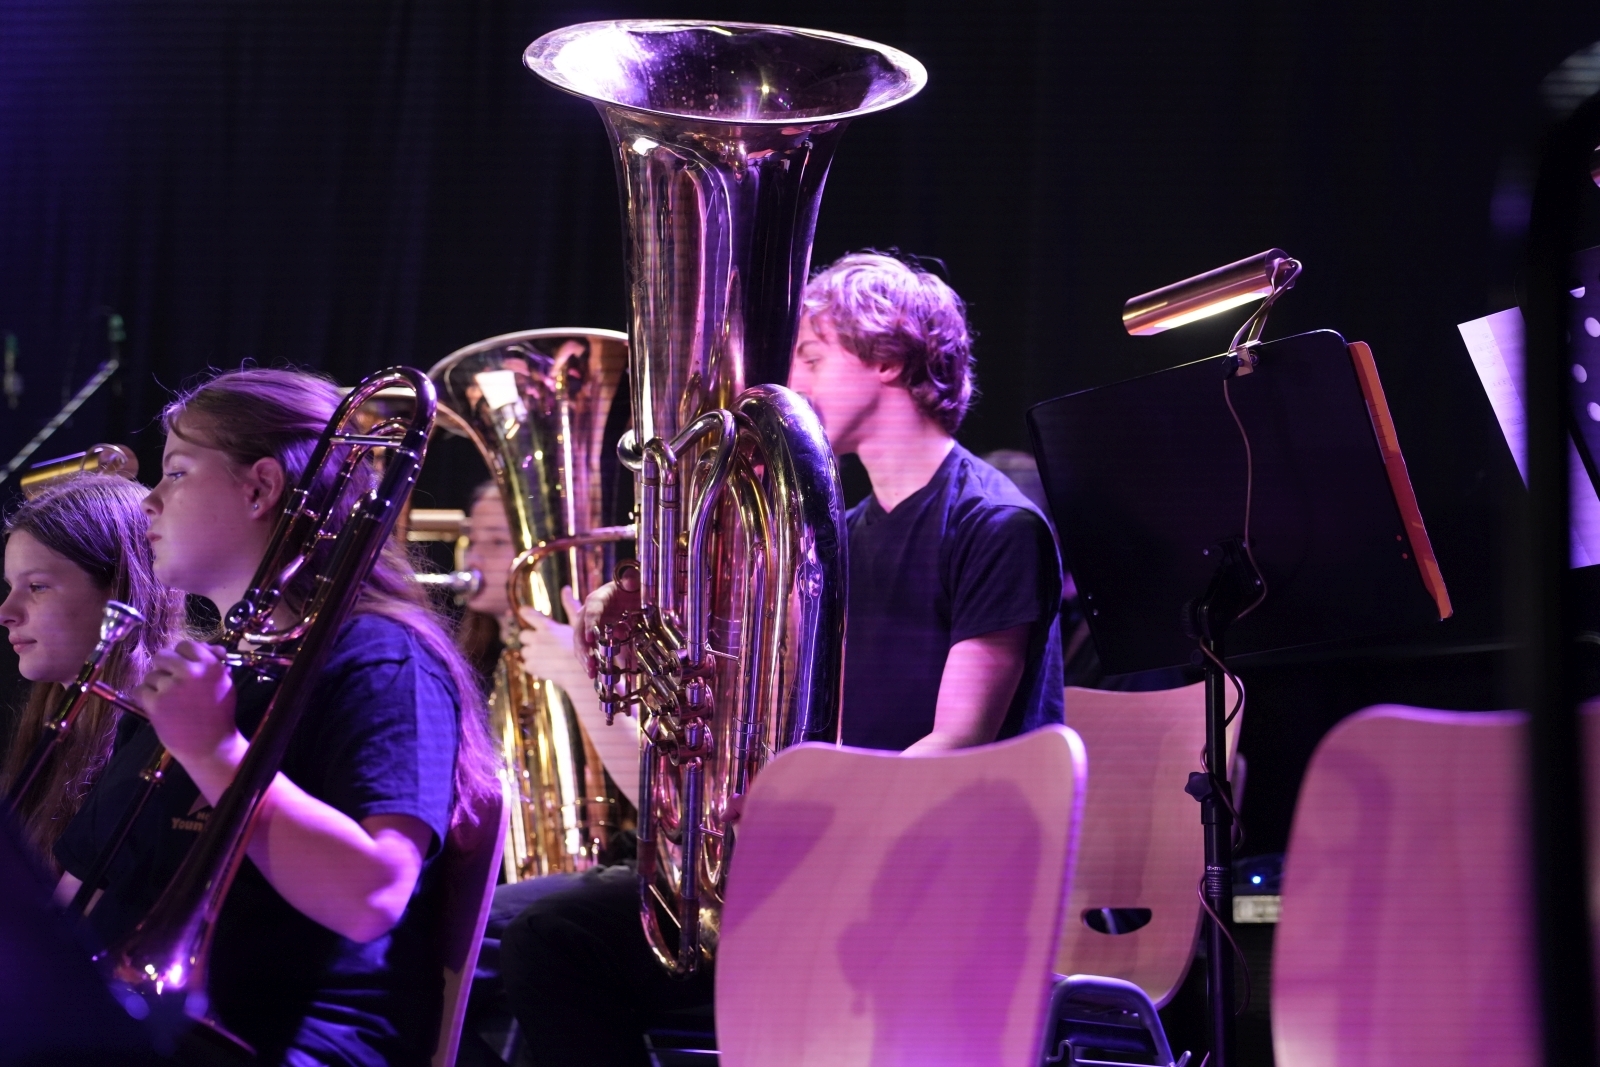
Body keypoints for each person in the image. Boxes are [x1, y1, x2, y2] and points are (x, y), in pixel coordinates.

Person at [496, 251, 1065, 1067]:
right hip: (827, 862)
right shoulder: (835, 540)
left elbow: (957, 743)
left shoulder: (994, 525)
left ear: (888, 357)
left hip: (931, 877)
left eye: (812, 353)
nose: (791, 380)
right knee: (531, 933)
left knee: (555, 939)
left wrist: (792, 810)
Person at [52, 368, 500, 1067]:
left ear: (260, 488)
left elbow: (373, 895)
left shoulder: (384, 659)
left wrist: (214, 751)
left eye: (177, 471)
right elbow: (81, 893)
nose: (150, 501)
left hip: (281, 1041)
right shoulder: (211, 670)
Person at [0, 474, 181, 872]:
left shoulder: (161, 740)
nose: (6, 613)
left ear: (119, 590)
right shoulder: (54, 720)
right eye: (10, 586)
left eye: (37, 586)